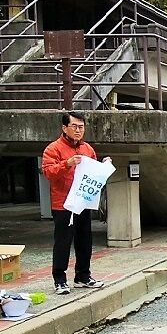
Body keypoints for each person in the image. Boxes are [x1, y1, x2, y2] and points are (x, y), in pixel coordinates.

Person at [41, 112, 109, 295]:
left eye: (81, 127)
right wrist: (67, 164)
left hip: (83, 201)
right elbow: (48, 173)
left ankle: (83, 276)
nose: (78, 130)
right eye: (74, 126)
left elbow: (93, 172)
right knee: (63, 242)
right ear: (64, 128)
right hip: (63, 203)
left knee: (85, 240)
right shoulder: (53, 149)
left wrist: (103, 166)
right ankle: (60, 280)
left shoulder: (87, 148)